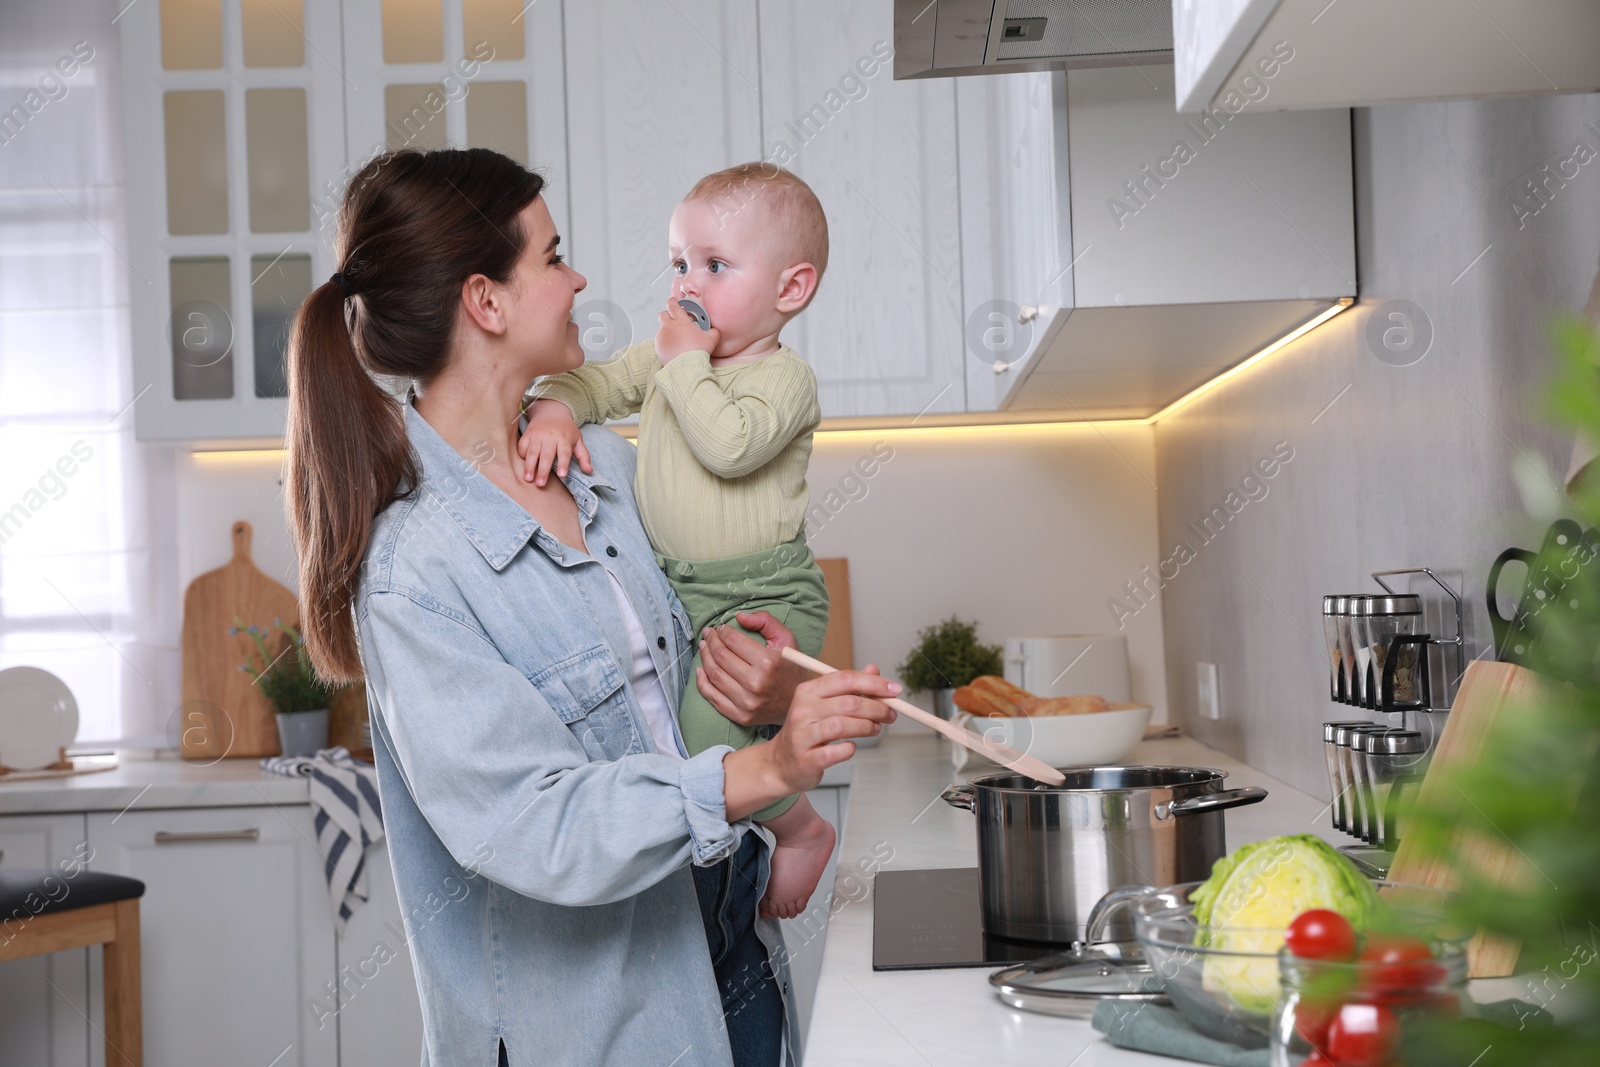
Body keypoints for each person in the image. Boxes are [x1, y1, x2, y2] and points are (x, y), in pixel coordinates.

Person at [281, 147, 897, 1067]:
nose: (579, 277)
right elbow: (534, 824)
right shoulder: (415, 566)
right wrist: (767, 772)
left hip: (721, 927)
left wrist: (762, 688)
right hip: (582, 1021)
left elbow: (678, 664)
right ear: (486, 301)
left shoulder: (607, 465)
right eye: (553, 254)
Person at [517, 163, 836, 923]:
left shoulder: (784, 379)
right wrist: (556, 409)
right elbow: (591, 384)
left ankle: (800, 826)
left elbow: (730, 445)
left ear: (790, 291)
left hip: (764, 592)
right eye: (680, 264)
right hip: (684, 592)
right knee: (691, 747)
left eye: (715, 266)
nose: (688, 284)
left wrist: (682, 362)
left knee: (701, 745)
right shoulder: (669, 360)